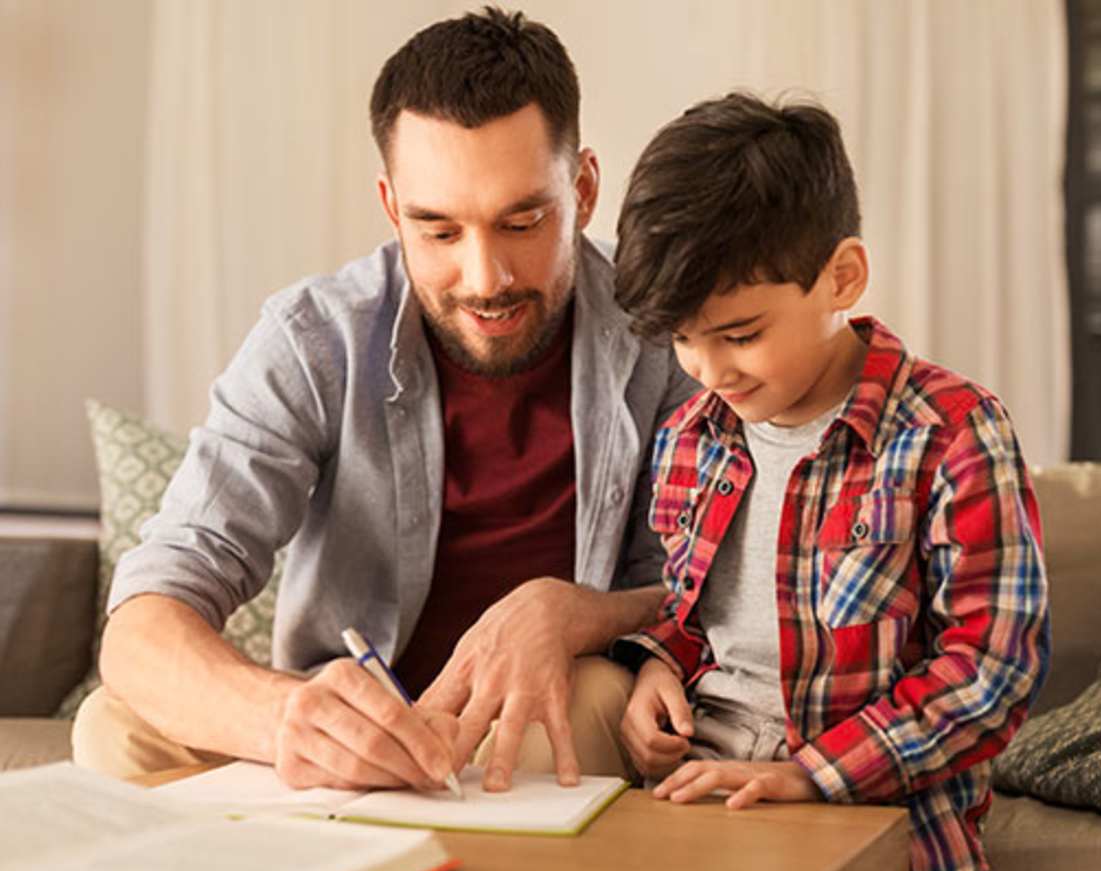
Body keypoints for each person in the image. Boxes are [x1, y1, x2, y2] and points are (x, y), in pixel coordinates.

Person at [73, 8, 697, 794]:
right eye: (438, 231)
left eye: (522, 222)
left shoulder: (667, 339)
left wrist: (573, 612)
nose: (486, 278)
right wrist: (287, 718)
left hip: (541, 721)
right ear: (391, 206)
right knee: (115, 725)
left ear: (583, 188)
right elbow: (143, 620)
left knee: (595, 697)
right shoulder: (314, 339)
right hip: (342, 738)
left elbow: (702, 589)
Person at [609, 92, 1050, 871]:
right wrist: (656, 666)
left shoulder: (951, 433)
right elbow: (694, 609)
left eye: (740, 334)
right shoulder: (691, 437)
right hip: (692, 790)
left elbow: (991, 671)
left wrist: (809, 777)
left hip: (861, 805)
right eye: (682, 340)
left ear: (841, 276)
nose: (710, 371)